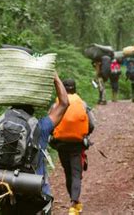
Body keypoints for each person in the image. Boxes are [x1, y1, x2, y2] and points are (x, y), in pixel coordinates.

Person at [0, 56, 69, 214]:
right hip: (36, 195)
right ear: (32, 108)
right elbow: (64, 103)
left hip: (7, 192)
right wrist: (54, 76)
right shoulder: (41, 128)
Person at [49, 79, 95, 215]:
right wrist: (85, 134)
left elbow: (50, 123)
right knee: (76, 174)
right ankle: (74, 204)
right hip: (77, 145)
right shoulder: (82, 103)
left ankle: (73, 201)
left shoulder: (56, 105)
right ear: (75, 89)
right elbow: (91, 124)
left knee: (68, 173)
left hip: (61, 144)